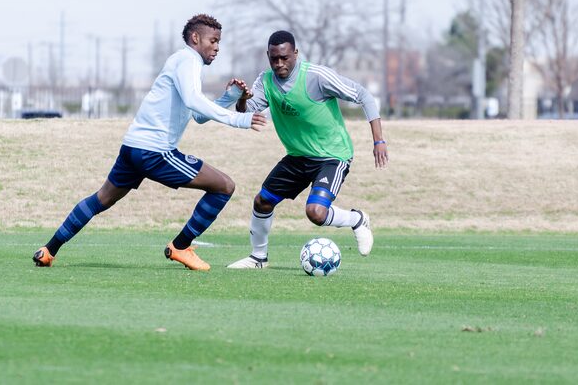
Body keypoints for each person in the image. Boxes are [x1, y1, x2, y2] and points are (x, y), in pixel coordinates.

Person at [32, 14, 266, 271]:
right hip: (154, 152)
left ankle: (48, 250)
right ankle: (181, 246)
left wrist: (229, 96)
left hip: (133, 147)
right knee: (224, 186)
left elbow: (197, 115)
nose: (217, 47)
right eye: (213, 40)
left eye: (219, 42)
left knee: (102, 199)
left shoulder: (183, 62)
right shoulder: (188, 60)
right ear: (196, 38)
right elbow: (193, 100)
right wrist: (239, 120)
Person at [227, 30, 387, 269]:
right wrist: (241, 98)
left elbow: (363, 95)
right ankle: (258, 258)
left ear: (295, 53)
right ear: (268, 56)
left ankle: (357, 219)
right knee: (262, 202)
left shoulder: (317, 77)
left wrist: (378, 141)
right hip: (297, 157)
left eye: (285, 58)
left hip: (332, 156)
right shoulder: (265, 81)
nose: (279, 63)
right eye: (274, 58)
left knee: (316, 213)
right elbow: (245, 110)